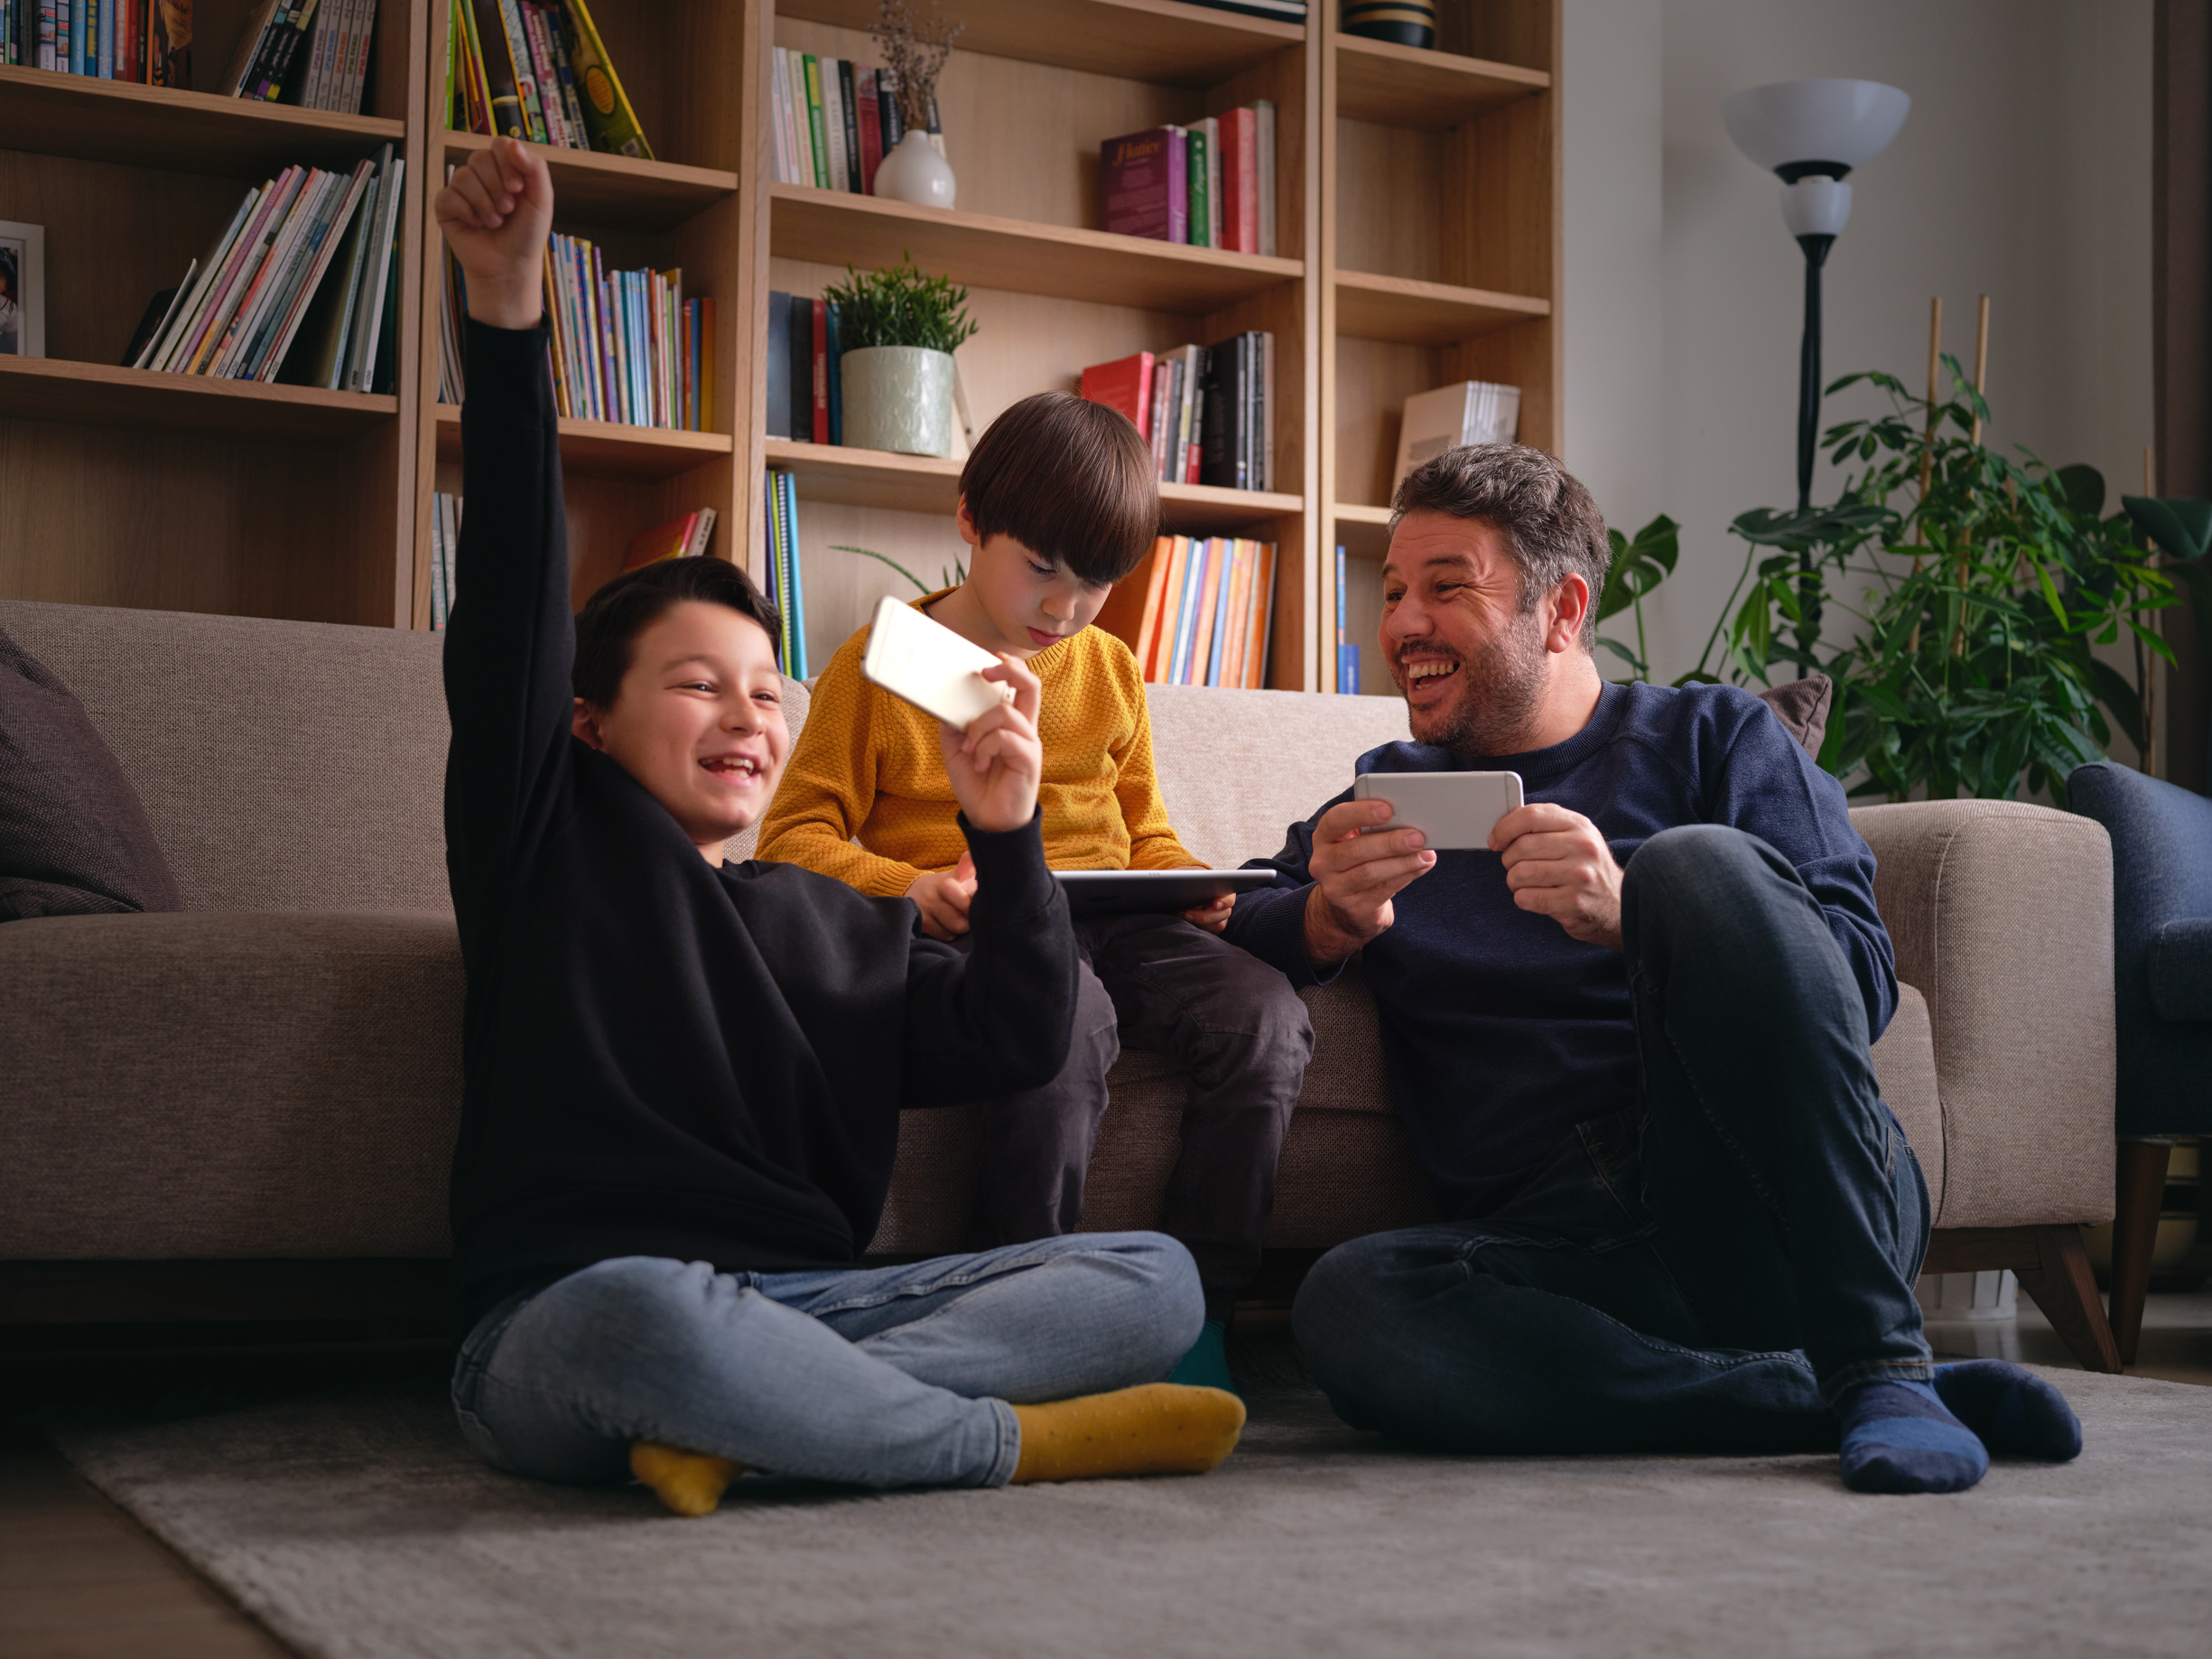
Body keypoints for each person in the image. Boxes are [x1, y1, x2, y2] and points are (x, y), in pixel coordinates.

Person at [432, 137, 1243, 1518]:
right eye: (697, 685)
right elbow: (509, 591)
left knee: (1151, 1279)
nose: (747, 715)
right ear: (585, 723)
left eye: (765, 687)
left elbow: (1018, 1035)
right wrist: (508, 318)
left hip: (822, 1302)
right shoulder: (542, 845)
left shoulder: (826, 918)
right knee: (643, 1316)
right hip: (573, 1311)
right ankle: (992, 1442)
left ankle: (762, 1422)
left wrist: (1005, 837)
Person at [1225, 443, 2084, 1495]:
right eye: (1393, 590)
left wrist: (1634, 918)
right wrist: (1322, 918)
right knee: (1348, 1308)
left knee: (1695, 864)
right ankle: (1819, 1391)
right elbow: (1235, 916)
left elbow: (1857, 980)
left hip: (1775, 1190)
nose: (1402, 623)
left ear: (1561, 608)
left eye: (1446, 587)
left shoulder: (1715, 737)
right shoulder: (1382, 798)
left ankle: (1878, 1355)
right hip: (1568, 1249)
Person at [758, 394, 1311, 1392]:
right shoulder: (880, 665)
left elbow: (1140, 827)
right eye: (1042, 567)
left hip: (1114, 914)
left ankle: (1200, 1305)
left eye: (1096, 581)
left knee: (1264, 1017)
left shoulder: (1106, 668)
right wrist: (910, 886)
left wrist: (1186, 883)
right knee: (1059, 1023)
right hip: (986, 922)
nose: (1063, 608)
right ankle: (1021, 1299)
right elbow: (791, 838)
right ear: (971, 521)